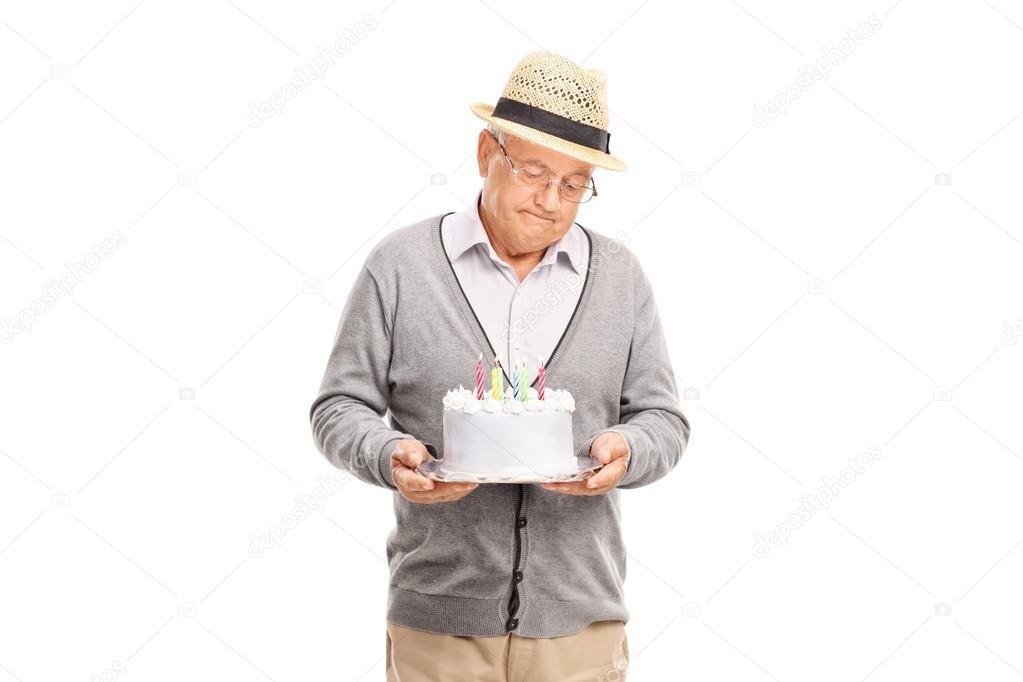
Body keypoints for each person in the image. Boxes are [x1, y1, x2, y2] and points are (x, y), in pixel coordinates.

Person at [309, 50, 690, 681]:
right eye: (535, 172)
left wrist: (629, 448)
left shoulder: (621, 277)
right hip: (438, 618)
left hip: (580, 620)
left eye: (574, 185)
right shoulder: (401, 266)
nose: (550, 201)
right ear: (487, 153)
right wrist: (390, 455)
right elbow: (338, 407)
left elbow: (664, 419)